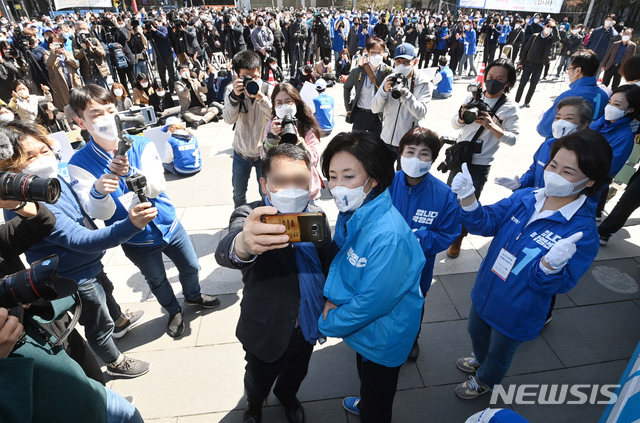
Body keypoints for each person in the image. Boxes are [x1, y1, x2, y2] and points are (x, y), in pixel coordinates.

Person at [450, 131, 612, 399]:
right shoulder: (527, 197)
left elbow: (561, 283)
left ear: (590, 180)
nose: (555, 174)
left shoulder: (582, 233)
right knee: (476, 332)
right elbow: (486, 222)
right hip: (487, 290)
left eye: (568, 171)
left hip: (518, 310)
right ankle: (481, 361)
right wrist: (468, 199)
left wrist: (549, 268)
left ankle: (486, 379)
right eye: (553, 165)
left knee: (500, 352)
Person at [0, 120, 154, 378]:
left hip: (89, 264)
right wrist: (131, 225)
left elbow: (83, 212)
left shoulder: (51, 180)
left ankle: (119, 320)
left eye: (44, 150)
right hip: (72, 275)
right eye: (30, 157)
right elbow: (81, 239)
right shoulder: (26, 202)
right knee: (97, 321)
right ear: (11, 169)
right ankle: (115, 362)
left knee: (106, 291)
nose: (42, 158)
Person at [67, 84, 220, 338]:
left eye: (110, 110)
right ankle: (173, 310)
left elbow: (157, 186)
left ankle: (193, 296)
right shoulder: (79, 163)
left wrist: (131, 173)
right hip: (135, 238)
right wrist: (99, 191)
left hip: (168, 223)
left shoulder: (140, 143)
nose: (105, 118)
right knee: (157, 280)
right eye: (95, 114)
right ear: (81, 122)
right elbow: (101, 213)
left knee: (191, 266)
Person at [215, 143, 332, 423]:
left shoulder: (316, 217)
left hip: (307, 323)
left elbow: (329, 260)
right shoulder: (250, 215)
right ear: (265, 184)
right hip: (265, 327)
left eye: (300, 181)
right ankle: (253, 406)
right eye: (281, 182)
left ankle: (287, 395)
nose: (292, 189)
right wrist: (244, 244)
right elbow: (229, 248)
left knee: (297, 371)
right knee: (257, 379)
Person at [318, 131, 425, 423]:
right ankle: (366, 400)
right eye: (333, 176)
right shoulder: (356, 210)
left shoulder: (388, 237)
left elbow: (373, 303)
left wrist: (326, 321)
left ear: (373, 179)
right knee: (366, 377)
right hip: (363, 330)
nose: (338, 187)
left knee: (378, 401)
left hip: (383, 336)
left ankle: (371, 409)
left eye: (349, 176)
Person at [388, 127, 461, 360]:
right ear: (400, 153)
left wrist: (417, 238)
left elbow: (448, 233)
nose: (415, 159)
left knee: (413, 307)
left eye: (424, 154)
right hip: (383, 265)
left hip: (418, 269)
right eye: (410, 151)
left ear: (432, 159)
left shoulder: (444, 194)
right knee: (381, 302)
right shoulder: (384, 185)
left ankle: (411, 339)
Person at [447, 58, 520, 258]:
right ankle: (446, 230)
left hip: (480, 164)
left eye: (499, 79)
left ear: (508, 83)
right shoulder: (472, 96)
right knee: (451, 198)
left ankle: (458, 238)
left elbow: (513, 139)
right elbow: (455, 124)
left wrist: (492, 126)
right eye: (490, 77)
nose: (493, 82)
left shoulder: (509, 107)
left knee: (469, 203)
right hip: (460, 158)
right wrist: (461, 117)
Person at [497, 97, 594, 192]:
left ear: (584, 124)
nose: (560, 122)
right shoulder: (547, 144)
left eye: (568, 118)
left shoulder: (586, 153)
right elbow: (534, 170)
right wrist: (521, 184)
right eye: (558, 117)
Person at [223, 50, 273, 208]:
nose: (252, 80)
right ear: (237, 75)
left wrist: (260, 97)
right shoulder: (231, 90)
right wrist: (235, 98)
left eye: (255, 76)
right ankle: (239, 222)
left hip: (263, 154)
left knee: (266, 194)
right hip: (241, 152)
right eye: (246, 77)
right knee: (238, 194)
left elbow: (273, 116)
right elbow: (228, 119)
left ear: (260, 71)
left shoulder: (267, 89)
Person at [371, 42, 431, 165]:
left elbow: (420, 113)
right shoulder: (390, 78)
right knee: (383, 176)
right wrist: (383, 91)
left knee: (404, 177)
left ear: (415, 62)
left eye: (406, 62)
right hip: (387, 138)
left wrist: (406, 94)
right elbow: (374, 109)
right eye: (398, 61)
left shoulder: (424, 82)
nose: (401, 65)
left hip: (409, 142)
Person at [262, 82, 322, 202]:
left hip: (307, 192)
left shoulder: (307, 126)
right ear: (273, 105)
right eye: (279, 102)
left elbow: (314, 159)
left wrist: (299, 141)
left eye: (288, 101)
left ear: (296, 102)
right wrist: (272, 138)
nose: (283, 105)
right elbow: (264, 158)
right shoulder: (271, 126)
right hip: (280, 190)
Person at [591, 84, 640, 219]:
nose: (610, 107)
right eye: (609, 102)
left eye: (617, 105)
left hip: (589, 187)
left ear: (630, 109)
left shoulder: (624, 137)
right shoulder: (600, 122)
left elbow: (608, 167)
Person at [536, 50, 608, 139]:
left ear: (577, 71)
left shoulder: (570, 95)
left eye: (569, 69)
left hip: (565, 144)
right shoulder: (604, 95)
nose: (568, 73)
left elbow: (544, 129)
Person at [343, 37, 392, 136]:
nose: (376, 55)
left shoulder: (388, 71)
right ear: (368, 53)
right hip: (360, 113)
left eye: (380, 52)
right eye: (373, 52)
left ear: (384, 53)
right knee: (357, 143)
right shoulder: (358, 71)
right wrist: (348, 107)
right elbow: (347, 87)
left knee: (376, 145)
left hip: (378, 115)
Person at [515, 19, 559, 108]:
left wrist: (554, 27)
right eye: (547, 26)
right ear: (544, 26)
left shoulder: (551, 39)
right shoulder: (535, 36)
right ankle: (516, 100)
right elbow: (526, 49)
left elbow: (557, 39)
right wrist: (521, 62)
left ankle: (527, 101)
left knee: (533, 85)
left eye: (551, 27)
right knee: (522, 83)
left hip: (539, 65)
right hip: (528, 63)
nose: (548, 28)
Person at [175, 63, 220, 129]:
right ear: (179, 73)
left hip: (200, 108)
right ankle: (208, 118)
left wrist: (201, 81)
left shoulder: (195, 81)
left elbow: (205, 91)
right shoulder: (178, 83)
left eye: (186, 70)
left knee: (214, 109)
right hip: (188, 110)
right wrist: (189, 84)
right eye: (183, 71)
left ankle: (199, 122)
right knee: (188, 117)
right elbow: (183, 94)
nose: (185, 72)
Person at [73, 20, 109, 87]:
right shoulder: (76, 41)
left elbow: (103, 54)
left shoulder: (94, 40)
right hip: (87, 73)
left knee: (104, 91)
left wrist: (94, 47)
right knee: (92, 93)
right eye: (80, 29)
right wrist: (84, 48)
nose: (82, 30)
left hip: (100, 70)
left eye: (84, 28)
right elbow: (77, 55)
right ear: (76, 30)